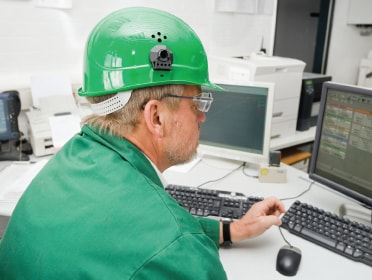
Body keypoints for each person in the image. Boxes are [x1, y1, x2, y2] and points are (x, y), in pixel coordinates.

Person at [0, 7, 285, 279]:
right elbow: (167, 244)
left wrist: (232, 229)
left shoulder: (70, 160)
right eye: (197, 102)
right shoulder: (180, 250)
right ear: (156, 117)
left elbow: (126, 237)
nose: (201, 117)